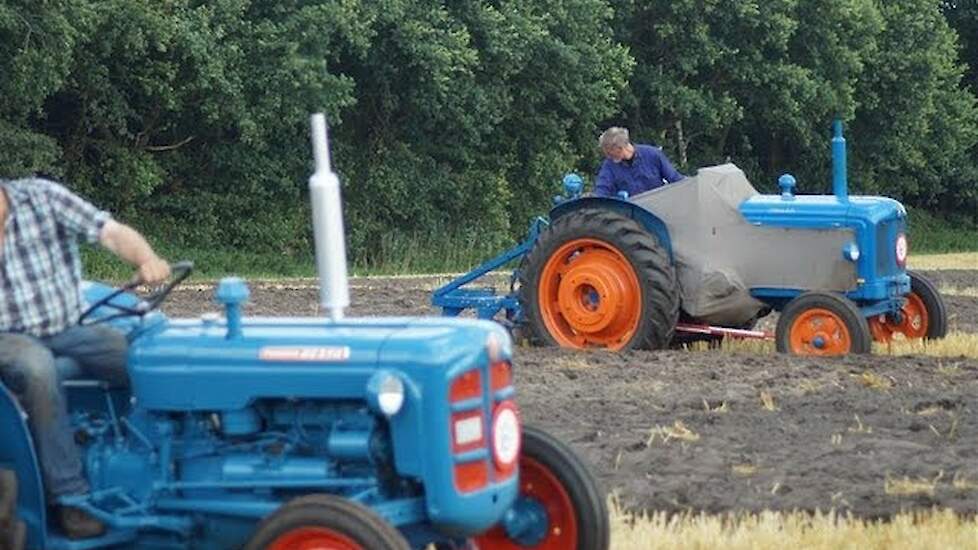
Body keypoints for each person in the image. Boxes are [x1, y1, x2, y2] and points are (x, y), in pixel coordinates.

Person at [0, 176, 170, 539]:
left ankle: (150, 455)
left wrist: (146, 258)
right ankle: (70, 498)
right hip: (6, 337)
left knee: (141, 358)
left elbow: (110, 232)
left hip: (66, 325)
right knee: (39, 368)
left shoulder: (42, 199)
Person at [594, 126, 685, 198]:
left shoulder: (653, 154)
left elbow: (676, 179)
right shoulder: (609, 165)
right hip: (632, 212)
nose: (608, 156)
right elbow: (602, 189)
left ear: (620, 148)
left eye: (609, 153)